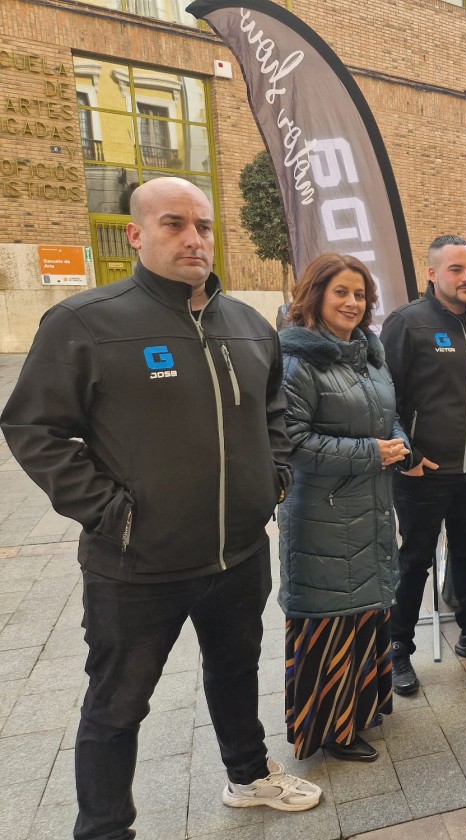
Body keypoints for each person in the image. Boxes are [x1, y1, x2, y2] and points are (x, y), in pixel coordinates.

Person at [0, 177, 321, 839]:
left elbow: (274, 413)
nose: (194, 239)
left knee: (234, 671)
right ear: (137, 235)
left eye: (203, 224)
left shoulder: (249, 324)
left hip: (237, 554)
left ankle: (248, 776)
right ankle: (105, 828)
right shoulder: (86, 322)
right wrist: (111, 512)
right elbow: (33, 427)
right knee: (118, 707)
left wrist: (275, 480)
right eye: (174, 224)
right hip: (136, 564)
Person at [278, 253, 411, 762]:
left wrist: (397, 444)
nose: (352, 303)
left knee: (364, 612)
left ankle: (360, 708)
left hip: (369, 506)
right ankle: (329, 728)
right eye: (341, 292)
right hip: (322, 515)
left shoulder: (368, 355)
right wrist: (370, 454)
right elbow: (290, 441)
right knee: (330, 619)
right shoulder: (297, 361)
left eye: (360, 294)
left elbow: (385, 417)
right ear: (315, 295)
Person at [381, 234, 466, 694]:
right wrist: (408, 457)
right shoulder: (406, 324)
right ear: (433, 274)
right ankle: (397, 650)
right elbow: (386, 400)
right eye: (456, 269)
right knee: (414, 560)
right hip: (425, 471)